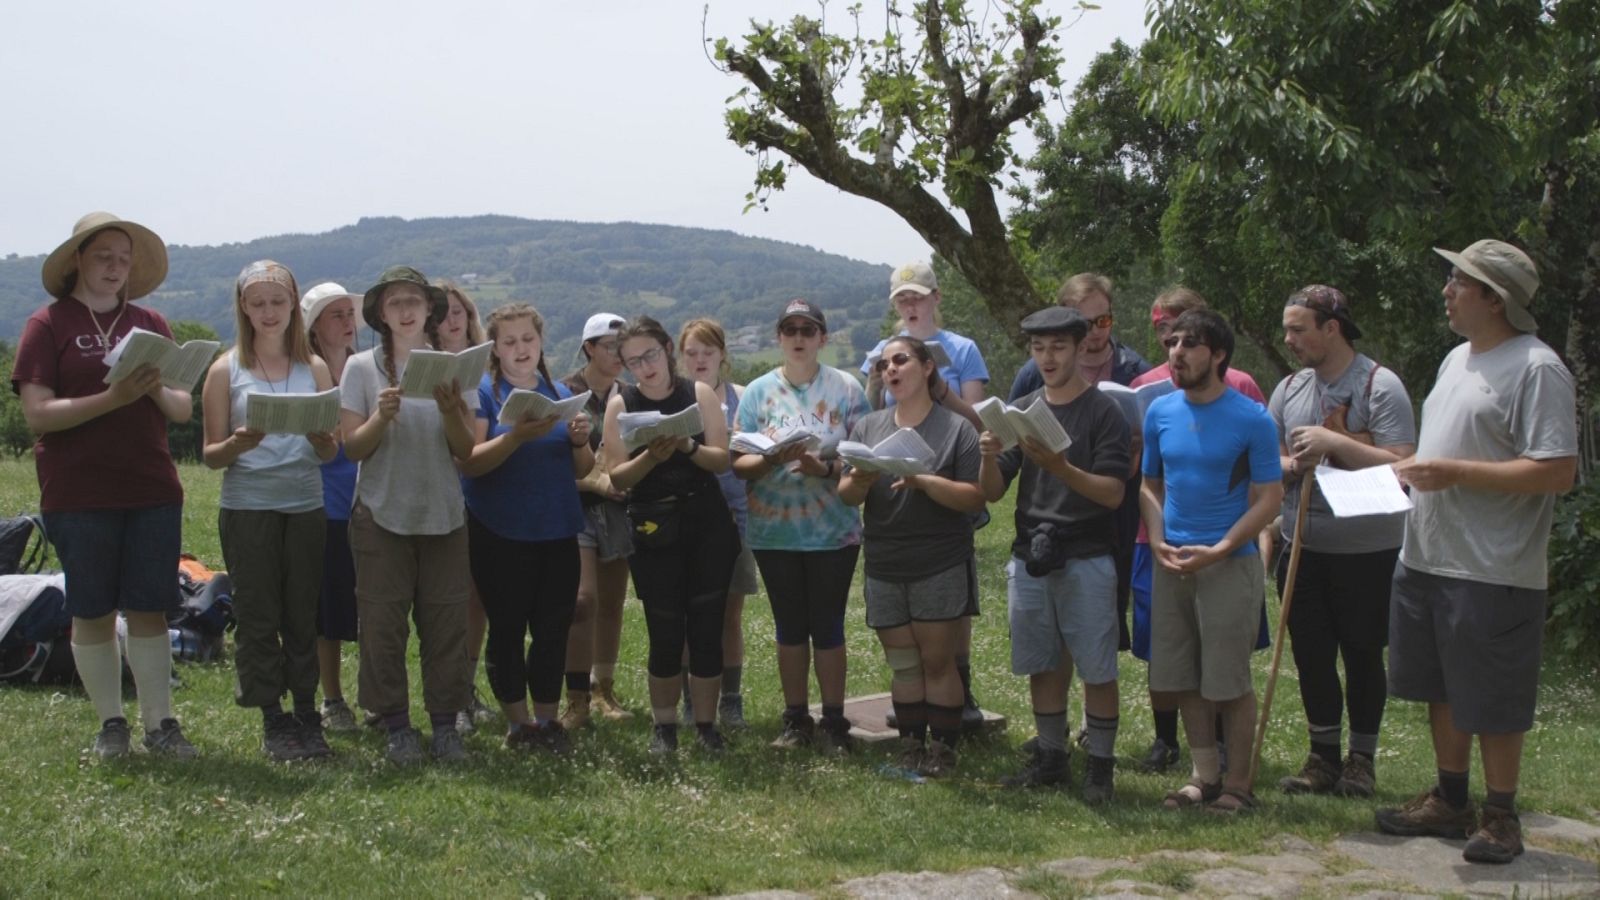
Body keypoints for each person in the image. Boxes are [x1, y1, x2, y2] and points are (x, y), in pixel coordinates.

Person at [1376, 241, 1577, 864]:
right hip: (1429, 555)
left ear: (1495, 298)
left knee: (1492, 693)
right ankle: (1450, 797)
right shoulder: (1456, 359)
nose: (1446, 290)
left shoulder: (1538, 368)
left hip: (1493, 568)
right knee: (1442, 684)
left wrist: (1454, 472)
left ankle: (1501, 815)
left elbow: (1557, 471)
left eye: (1458, 281)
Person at [13, 212, 199, 760]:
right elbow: (39, 414)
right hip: (78, 491)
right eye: (104, 256)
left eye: (124, 258)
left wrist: (151, 392)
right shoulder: (48, 325)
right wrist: (112, 399)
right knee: (90, 609)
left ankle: (160, 723)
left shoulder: (150, 322)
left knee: (150, 608)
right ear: (78, 261)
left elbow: (181, 407)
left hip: (150, 486)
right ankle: (110, 724)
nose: (116, 267)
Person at [1268, 285, 1415, 797]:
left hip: (1366, 549)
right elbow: (1270, 462)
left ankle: (1362, 760)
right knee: (1310, 653)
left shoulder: (1379, 385)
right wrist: (1292, 465)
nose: (1288, 339)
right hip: (1303, 543)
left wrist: (1334, 443)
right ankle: (1323, 757)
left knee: (1360, 651)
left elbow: (1404, 463)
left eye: (1298, 329)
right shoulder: (1288, 389)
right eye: (1286, 328)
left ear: (1332, 328)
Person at [980, 308, 1130, 801]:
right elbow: (994, 492)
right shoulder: (1023, 408)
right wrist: (986, 457)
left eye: (1058, 347)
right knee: (1042, 663)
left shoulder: (1103, 412)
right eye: (1039, 348)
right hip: (1031, 555)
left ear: (1079, 349)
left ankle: (1101, 768)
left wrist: (1061, 467)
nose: (1047, 358)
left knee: (1096, 665)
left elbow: (1112, 493)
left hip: (1086, 553)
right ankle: (1051, 759)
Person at [1140, 309, 1282, 812]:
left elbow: (1269, 497)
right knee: (1184, 676)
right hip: (1172, 560)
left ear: (1218, 354)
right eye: (1172, 341)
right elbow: (1150, 485)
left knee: (1228, 680)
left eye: (1190, 343)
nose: (1176, 351)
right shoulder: (1159, 413)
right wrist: (1157, 538)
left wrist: (1222, 547)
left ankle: (1240, 785)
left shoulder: (1252, 419)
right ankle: (1204, 776)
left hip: (1229, 562)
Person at [339, 265, 478, 765]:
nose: (404, 310)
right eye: (394, 302)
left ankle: (445, 726)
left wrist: (448, 410)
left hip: (444, 512)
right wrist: (381, 415)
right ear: (380, 312)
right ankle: (396, 724)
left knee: (446, 625)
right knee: (382, 623)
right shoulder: (359, 368)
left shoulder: (451, 365)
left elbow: (467, 449)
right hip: (381, 512)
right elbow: (352, 448)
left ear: (428, 311)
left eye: (413, 301)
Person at [201, 261, 338, 761]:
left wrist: (325, 440)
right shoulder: (225, 369)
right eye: (257, 303)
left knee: (302, 611)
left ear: (293, 305)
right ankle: (272, 717)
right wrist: (239, 442)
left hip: (304, 503)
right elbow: (211, 455)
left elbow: (330, 453)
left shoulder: (315, 368)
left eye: (277, 302)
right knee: (259, 614)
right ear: (243, 307)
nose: (268, 312)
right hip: (249, 505)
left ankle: (307, 710)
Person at [840, 336, 986, 777]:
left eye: (900, 360)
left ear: (927, 368)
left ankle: (942, 751)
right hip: (885, 560)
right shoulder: (870, 427)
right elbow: (846, 494)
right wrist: (862, 478)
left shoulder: (956, 429)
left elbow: (975, 498)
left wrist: (924, 481)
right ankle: (910, 749)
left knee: (938, 661)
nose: (891, 370)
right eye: (884, 364)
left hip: (938, 559)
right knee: (903, 663)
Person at [735, 299, 872, 752]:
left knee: (828, 626)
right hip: (774, 531)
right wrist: (771, 457)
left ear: (822, 338)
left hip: (833, 529)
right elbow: (741, 463)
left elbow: (864, 462)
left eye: (808, 330)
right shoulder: (756, 392)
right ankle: (795, 720)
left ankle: (834, 722)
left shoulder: (848, 389)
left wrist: (825, 470)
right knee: (789, 626)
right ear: (779, 337)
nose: (798, 337)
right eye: (789, 329)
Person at [460, 303, 593, 754]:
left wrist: (578, 440)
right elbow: (471, 462)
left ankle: (547, 720)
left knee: (554, 628)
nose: (521, 349)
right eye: (510, 341)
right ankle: (518, 726)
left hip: (557, 528)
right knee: (508, 628)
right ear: (495, 349)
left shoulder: (558, 392)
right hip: (500, 530)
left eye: (528, 340)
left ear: (541, 342)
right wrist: (515, 436)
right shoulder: (482, 392)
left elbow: (584, 468)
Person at [602, 316, 740, 754]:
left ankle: (706, 726)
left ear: (667, 350)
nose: (645, 367)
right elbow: (617, 477)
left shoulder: (698, 394)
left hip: (707, 522)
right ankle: (664, 729)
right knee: (664, 631)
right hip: (653, 526)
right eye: (633, 361)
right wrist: (651, 458)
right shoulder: (620, 404)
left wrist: (687, 447)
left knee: (706, 626)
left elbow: (721, 460)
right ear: (624, 367)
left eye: (651, 355)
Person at [862, 261, 989, 731]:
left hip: (950, 468)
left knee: (950, 601)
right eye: (902, 299)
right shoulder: (882, 352)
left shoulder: (962, 348)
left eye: (918, 296)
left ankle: (959, 690)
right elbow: (872, 413)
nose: (911, 306)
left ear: (936, 297)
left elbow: (977, 421)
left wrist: (937, 391)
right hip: (892, 490)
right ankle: (919, 703)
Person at [679, 318, 757, 728]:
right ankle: (691, 700)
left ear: (722, 354)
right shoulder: (672, 398)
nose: (700, 360)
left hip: (734, 517)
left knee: (729, 613)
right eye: (691, 353)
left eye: (707, 351)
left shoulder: (744, 398)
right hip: (683, 520)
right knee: (688, 615)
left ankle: (731, 698)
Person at [559, 313, 636, 727]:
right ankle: (577, 697)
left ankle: (604, 687)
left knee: (611, 604)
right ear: (589, 348)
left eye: (623, 346)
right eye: (610, 347)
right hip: (579, 509)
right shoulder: (565, 394)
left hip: (619, 509)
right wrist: (599, 483)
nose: (618, 354)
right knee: (582, 602)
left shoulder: (631, 394)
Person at [301, 281, 363, 732]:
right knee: (330, 610)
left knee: (372, 605)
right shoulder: (307, 375)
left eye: (349, 313)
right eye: (335, 315)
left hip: (371, 501)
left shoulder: (369, 369)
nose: (347, 322)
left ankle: (375, 694)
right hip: (327, 503)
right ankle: (333, 697)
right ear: (314, 329)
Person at [436, 281, 494, 732]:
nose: (451, 320)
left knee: (475, 597)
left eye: (458, 311)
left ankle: (464, 688)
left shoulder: (485, 373)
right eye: (441, 313)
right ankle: (445, 694)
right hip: (432, 492)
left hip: (479, 496)